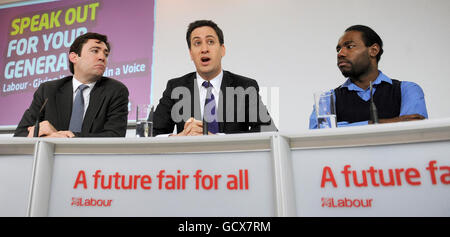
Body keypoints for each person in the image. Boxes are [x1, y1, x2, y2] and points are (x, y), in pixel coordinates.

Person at [153, 20, 276, 136]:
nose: (204, 49)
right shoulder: (175, 87)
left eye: (210, 42)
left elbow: (268, 129)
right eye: (197, 43)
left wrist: (217, 139)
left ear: (222, 50)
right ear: (191, 53)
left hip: (232, 158)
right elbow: (151, 132)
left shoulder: (244, 86)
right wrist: (181, 137)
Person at [309, 25, 428, 129]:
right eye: (338, 49)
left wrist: (341, 127)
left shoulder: (407, 89)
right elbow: (317, 134)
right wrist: (380, 123)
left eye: (349, 46)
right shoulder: (328, 99)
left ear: (373, 50)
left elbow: (413, 129)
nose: (340, 54)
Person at [14, 32, 129, 137]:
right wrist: (51, 138)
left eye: (106, 54)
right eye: (95, 51)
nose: (102, 57)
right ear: (74, 57)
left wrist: (64, 137)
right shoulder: (48, 90)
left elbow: (114, 135)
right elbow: (21, 134)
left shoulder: (115, 91)